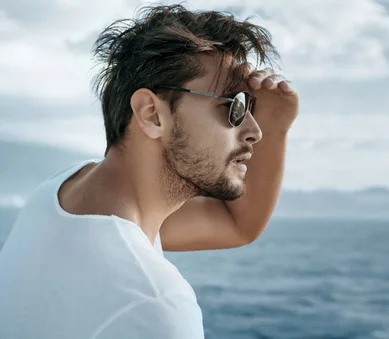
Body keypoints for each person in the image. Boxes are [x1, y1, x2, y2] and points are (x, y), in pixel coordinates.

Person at [0, 4, 298, 339]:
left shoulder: (63, 194)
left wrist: (276, 128)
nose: (255, 131)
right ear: (152, 114)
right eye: (233, 106)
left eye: (250, 106)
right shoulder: (155, 308)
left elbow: (237, 225)